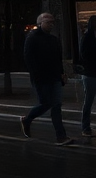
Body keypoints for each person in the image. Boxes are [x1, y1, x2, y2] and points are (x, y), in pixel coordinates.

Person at [21, 12, 75, 146]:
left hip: (55, 76)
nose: (51, 24)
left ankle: (61, 136)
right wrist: (36, 75)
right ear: (40, 23)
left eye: (52, 22)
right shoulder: (32, 37)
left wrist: (62, 73)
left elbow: (57, 58)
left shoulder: (53, 39)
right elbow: (28, 58)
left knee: (56, 105)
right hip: (41, 77)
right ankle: (27, 119)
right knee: (46, 103)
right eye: (48, 22)